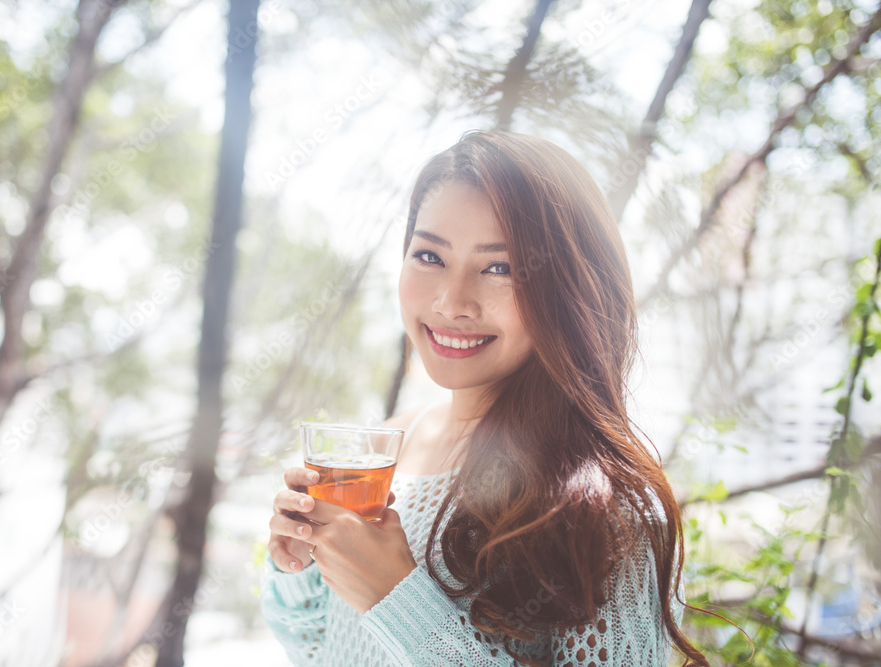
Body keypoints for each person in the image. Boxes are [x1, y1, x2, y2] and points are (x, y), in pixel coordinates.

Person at [260, 130, 708, 666]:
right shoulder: (387, 450)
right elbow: (318, 649)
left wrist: (395, 598)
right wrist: (302, 564)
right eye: (429, 255)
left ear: (570, 290)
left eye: (500, 267)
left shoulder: (613, 510)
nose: (452, 301)